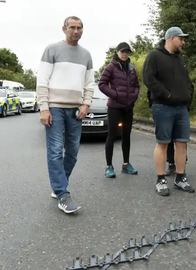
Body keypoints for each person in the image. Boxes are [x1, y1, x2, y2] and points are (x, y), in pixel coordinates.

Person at [36, 16, 94, 213]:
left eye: (79, 28)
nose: (76, 31)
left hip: (76, 109)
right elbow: (42, 81)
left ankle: (59, 184)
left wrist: (86, 104)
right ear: (64, 29)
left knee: (73, 152)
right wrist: (44, 107)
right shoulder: (52, 49)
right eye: (72, 27)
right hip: (54, 107)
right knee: (54, 151)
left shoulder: (86, 55)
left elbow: (89, 83)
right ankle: (62, 194)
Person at [143, 27, 194, 196]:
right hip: (162, 107)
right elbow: (148, 79)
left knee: (182, 143)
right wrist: (167, 95)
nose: (184, 42)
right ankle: (161, 180)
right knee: (163, 143)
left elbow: (187, 80)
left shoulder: (180, 59)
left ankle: (180, 178)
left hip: (181, 108)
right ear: (172, 38)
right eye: (181, 39)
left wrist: (188, 96)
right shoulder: (154, 56)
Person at [98, 42, 140, 178]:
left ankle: (126, 164)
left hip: (128, 107)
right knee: (112, 135)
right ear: (117, 52)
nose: (125, 54)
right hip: (114, 107)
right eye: (122, 51)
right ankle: (109, 166)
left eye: (127, 52)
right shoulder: (111, 67)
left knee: (126, 135)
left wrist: (134, 96)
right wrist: (115, 95)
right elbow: (102, 84)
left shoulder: (132, 68)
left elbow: (136, 85)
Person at [147, 88, 188, 176]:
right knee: (165, 141)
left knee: (181, 141)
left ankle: (181, 169)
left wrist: (187, 101)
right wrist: (153, 105)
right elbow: (151, 87)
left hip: (180, 106)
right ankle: (171, 164)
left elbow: (188, 85)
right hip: (161, 106)